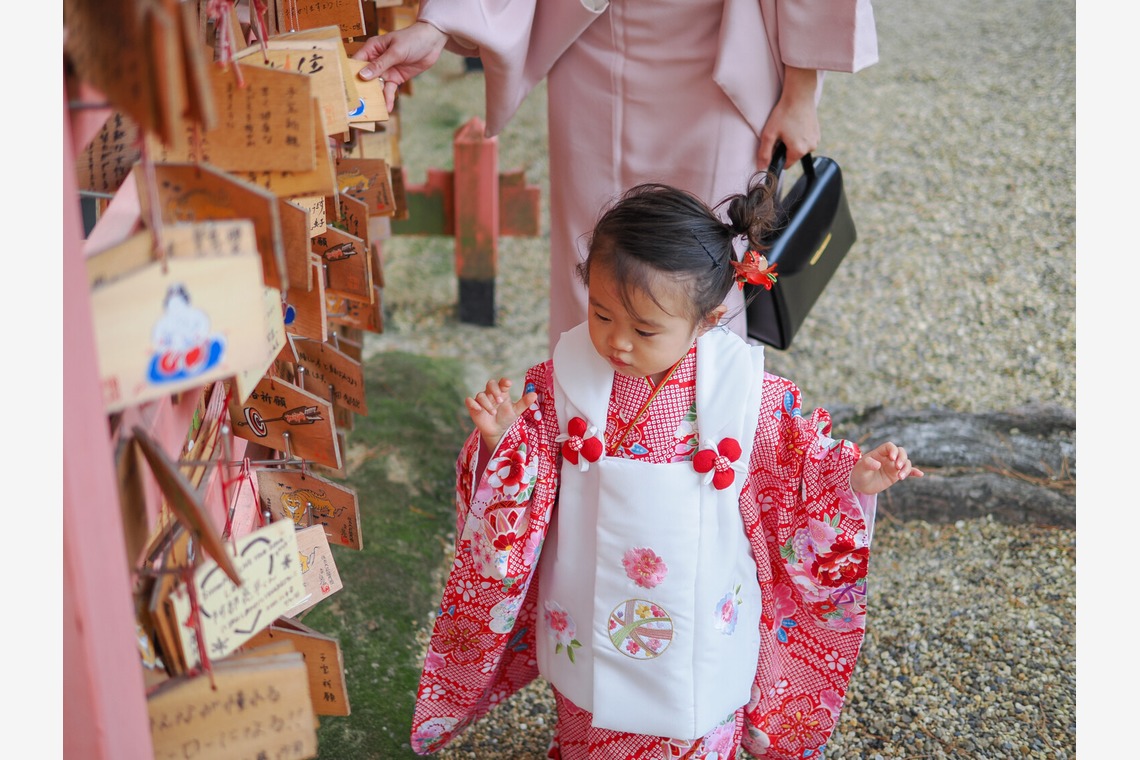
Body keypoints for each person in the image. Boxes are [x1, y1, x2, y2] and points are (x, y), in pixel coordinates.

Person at [408, 171, 922, 759]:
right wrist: (504, 442)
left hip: (700, 608)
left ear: (705, 321)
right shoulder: (562, 381)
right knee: (589, 715)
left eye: (645, 328)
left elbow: (795, 466)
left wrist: (852, 477)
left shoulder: (745, 393)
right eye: (601, 315)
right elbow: (526, 485)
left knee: (694, 719)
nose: (617, 342)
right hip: (589, 597)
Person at [352, 0, 879, 350]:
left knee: (706, 261)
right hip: (592, 40)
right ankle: (579, 451)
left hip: (718, 46)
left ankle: (705, 461)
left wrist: (802, 89)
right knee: (591, 259)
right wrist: (442, 22)